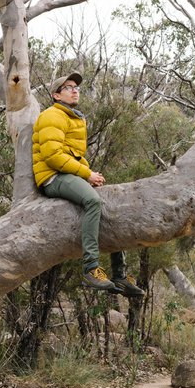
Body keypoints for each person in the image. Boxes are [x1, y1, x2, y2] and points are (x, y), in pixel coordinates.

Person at [32, 72, 144, 297]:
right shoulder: (52, 115)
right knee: (93, 201)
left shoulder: (73, 117)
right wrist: (87, 174)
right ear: (56, 95)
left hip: (67, 175)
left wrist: (89, 172)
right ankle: (91, 269)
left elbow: (72, 155)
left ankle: (120, 275)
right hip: (52, 178)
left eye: (76, 87)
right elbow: (53, 156)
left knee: (109, 203)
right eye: (68, 87)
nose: (75, 90)